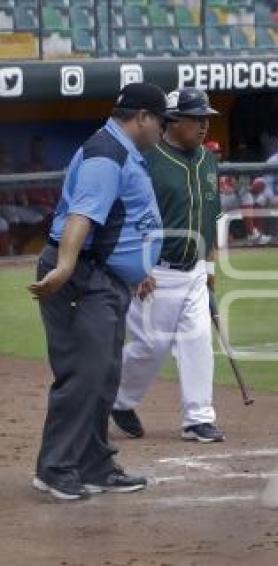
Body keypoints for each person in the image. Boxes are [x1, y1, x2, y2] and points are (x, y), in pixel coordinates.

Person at [28, 82, 170, 501]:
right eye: (161, 121)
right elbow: (81, 217)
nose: (163, 130)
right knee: (84, 375)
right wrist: (66, 266)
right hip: (81, 278)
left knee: (104, 375)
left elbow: (120, 219)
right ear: (142, 116)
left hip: (103, 278)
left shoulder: (121, 150)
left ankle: (94, 464)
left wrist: (137, 267)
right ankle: (55, 469)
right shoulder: (106, 155)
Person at [111, 87, 225, 444]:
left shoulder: (208, 160)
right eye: (196, 119)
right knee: (149, 347)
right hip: (154, 271)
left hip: (193, 270)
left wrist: (210, 267)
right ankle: (117, 399)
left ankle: (198, 418)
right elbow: (129, 218)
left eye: (207, 119)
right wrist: (137, 267)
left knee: (199, 342)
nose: (204, 126)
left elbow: (212, 217)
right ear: (173, 121)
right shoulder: (147, 158)